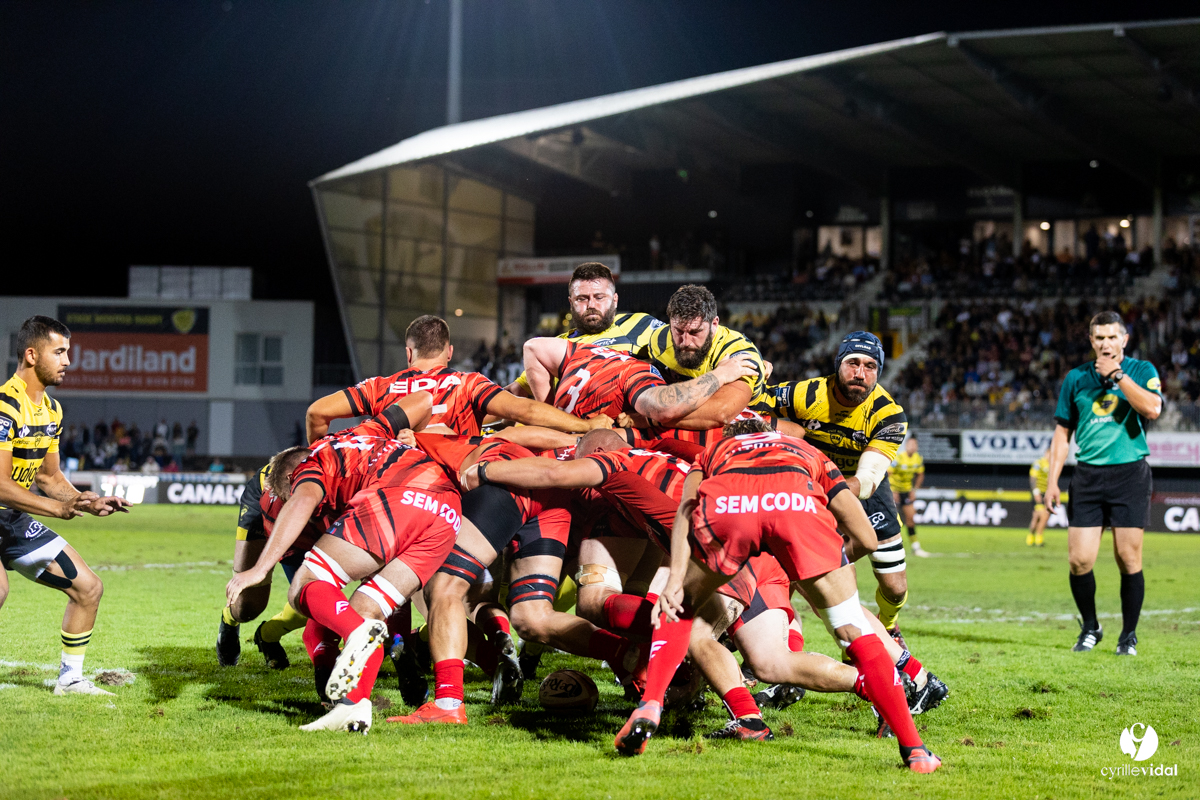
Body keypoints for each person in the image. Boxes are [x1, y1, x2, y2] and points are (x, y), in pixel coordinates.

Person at [616, 421, 940, 772]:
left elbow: (686, 508)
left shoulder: (715, 452)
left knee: (680, 609)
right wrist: (825, 566)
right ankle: (915, 750)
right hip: (795, 505)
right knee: (854, 632)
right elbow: (866, 537)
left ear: (733, 436)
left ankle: (650, 705)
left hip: (731, 505)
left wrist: (677, 577)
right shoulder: (807, 451)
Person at [226, 423, 461, 733]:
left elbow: (302, 499)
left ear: (288, 476)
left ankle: (357, 633)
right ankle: (353, 709)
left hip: (399, 496)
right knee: (369, 606)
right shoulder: (361, 438)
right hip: (446, 512)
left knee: (304, 584)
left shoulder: (314, 462)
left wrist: (259, 569)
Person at [0, 316, 131, 696]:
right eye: (59, 352)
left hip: (13, 522)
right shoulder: (5, 406)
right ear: (30, 354)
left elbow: (49, 478)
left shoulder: (52, 411)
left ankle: (70, 679)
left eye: (67, 352)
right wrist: (57, 510)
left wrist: (85, 501)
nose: (68, 360)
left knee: (88, 587)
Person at [752, 332, 912, 642]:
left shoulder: (890, 415)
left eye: (870, 366)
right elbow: (752, 406)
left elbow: (867, 479)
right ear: (838, 364)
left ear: (878, 372)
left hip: (861, 492)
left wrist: (826, 488)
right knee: (806, 580)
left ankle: (889, 625)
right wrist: (787, 431)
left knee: (895, 587)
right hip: (813, 492)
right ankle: (782, 643)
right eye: (852, 363)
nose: (860, 373)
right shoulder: (805, 394)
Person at [1046, 311, 1161, 657]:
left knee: (1128, 558)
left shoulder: (1143, 371)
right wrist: (1052, 480)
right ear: (1092, 341)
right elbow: (1062, 432)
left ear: (1124, 339)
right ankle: (1090, 626)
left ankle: (1128, 636)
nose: (1106, 343)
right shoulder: (1076, 378)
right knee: (1079, 561)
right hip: (1088, 476)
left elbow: (1153, 408)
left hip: (1130, 474)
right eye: (1100, 338)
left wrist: (1118, 377)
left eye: (1112, 337)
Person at [306, 315, 610, 443]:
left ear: (408, 354)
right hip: (453, 495)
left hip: (392, 488)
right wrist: (586, 426)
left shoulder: (378, 387)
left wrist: (319, 454)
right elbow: (525, 410)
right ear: (449, 352)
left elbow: (317, 412)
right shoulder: (468, 383)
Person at [506, 262, 666, 398]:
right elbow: (515, 392)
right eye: (582, 299)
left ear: (615, 300)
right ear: (571, 303)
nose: (591, 305)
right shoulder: (555, 347)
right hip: (567, 428)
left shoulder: (639, 324)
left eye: (599, 297)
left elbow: (682, 352)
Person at [523, 339, 757, 430]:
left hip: (545, 437)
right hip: (581, 457)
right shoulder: (639, 372)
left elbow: (532, 347)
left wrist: (551, 415)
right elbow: (665, 406)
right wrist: (720, 375)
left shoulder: (589, 350)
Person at [645, 285, 769, 426]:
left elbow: (721, 413)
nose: (685, 342)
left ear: (714, 324)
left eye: (695, 332)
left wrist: (647, 418)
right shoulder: (659, 339)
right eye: (678, 331)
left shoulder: (738, 355)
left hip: (749, 421)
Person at [890, 435, 928, 557]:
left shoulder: (917, 458)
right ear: (906, 446)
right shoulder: (899, 458)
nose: (913, 447)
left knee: (910, 518)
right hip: (894, 491)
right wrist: (892, 491)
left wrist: (914, 490)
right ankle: (888, 546)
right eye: (911, 444)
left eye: (915, 445)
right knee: (891, 520)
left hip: (906, 491)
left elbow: (920, 474)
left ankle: (915, 547)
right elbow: (888, 473)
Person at [1028, 448, 1051, 547]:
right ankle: (1038, 539)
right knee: (1044, 516)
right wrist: (1035, 492)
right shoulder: (1039, 463)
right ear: (1046, 453)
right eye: (1049, 454)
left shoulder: (1053, 465)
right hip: (1038, 493)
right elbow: (1033, 478)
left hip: (1047, 494)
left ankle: (1030, 537)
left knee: (1037, 517)